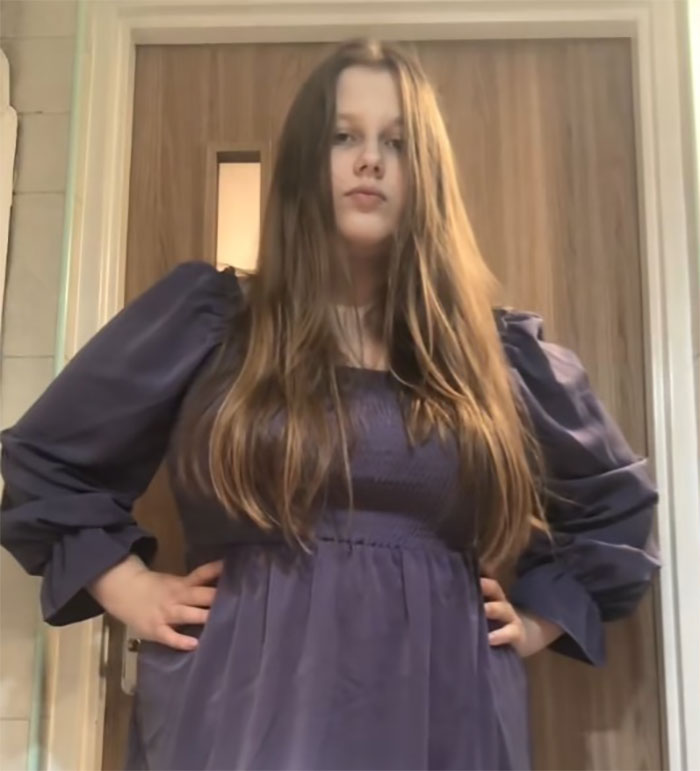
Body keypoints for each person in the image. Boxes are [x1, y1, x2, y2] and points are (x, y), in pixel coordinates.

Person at [0, 39, 659, 771]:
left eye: (396, 142)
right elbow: (45, 459)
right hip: (238, 707)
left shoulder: (492, 355)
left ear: (426, 174)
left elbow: (614, 511)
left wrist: (539, 619)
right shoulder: (212, 322)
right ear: (309, 163)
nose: (368, 159)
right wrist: (128, 586)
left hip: (443, 705)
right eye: (344, 136)